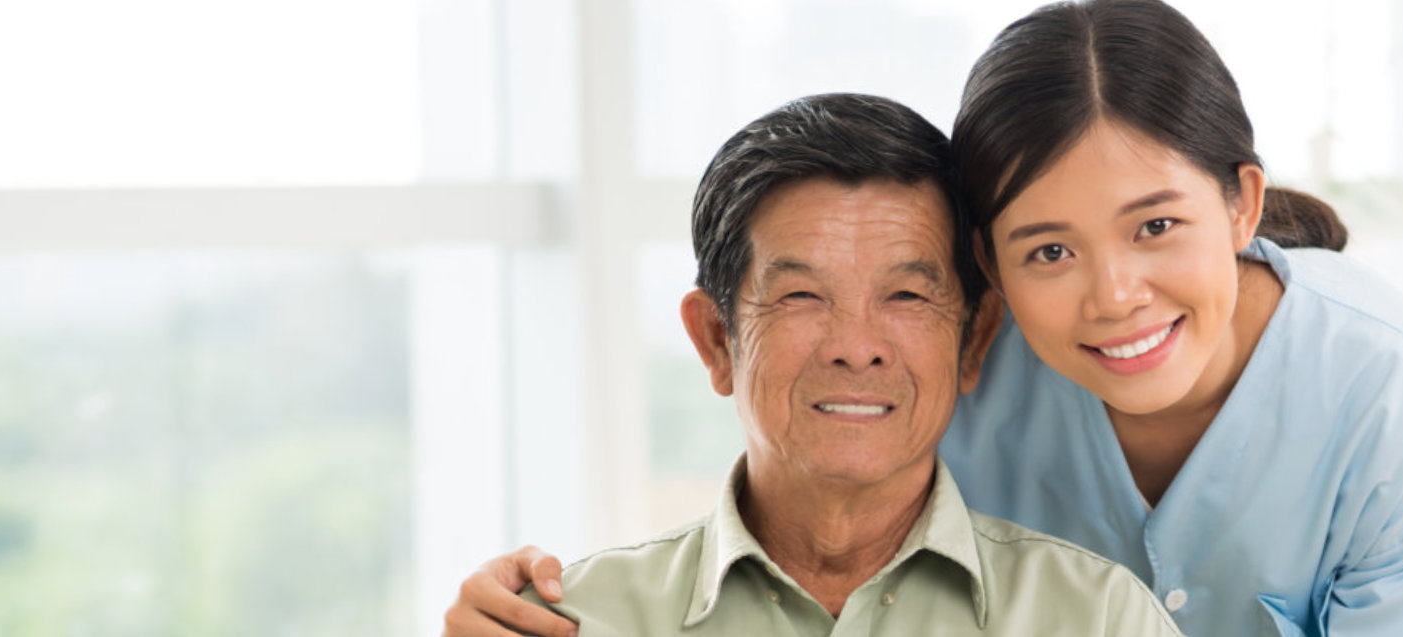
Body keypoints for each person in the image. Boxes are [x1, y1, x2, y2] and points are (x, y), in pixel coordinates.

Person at [445, 1, 1403, 635]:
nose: (1113, 296)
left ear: (1239, 201)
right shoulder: (961, 365)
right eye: (1048, 249)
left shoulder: (1380, 390)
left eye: (1155, 227)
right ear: (989, 277)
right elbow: (807, 463)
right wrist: (526, 599)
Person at [495, 92, 1182, 637]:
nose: (857, 345)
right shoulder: (571, 621)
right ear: (715, 339)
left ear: (974, 340)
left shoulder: (1097, 618)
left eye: (907, 294)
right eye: (801, 295)